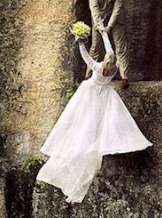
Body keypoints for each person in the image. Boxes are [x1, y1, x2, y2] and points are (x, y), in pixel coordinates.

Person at [37, 32, 151, 203]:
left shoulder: (99, 67)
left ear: (105, 60)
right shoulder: (114, 68)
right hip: (103, 95)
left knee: (79, 121)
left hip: (89, 93)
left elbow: (86, 58)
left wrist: (81, 42)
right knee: (95, 124)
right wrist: (104, 33)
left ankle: (75, 157)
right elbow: (111, 51)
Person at [87, 0, 130, 87]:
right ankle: (88, 76)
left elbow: (118, 8)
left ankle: (124, 77)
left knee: (120, 46)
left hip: (115, 19)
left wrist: (109, 26)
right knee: (96, 46)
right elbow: (93, 7)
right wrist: (100, 25)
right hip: (98, 18)